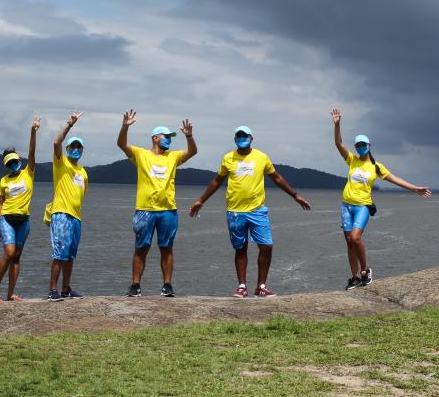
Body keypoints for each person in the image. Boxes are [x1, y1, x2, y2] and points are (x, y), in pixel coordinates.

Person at [189, 126, 311, 298]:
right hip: (235, 211)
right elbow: (217, 181)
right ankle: (242, 286)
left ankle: (261, 286)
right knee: (240, 248)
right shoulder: (228, 158)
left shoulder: (261, 157)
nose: (241, 138)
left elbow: (276, 177)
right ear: (234, 139)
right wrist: (201, 201)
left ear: (251, 138)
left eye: (244, 135)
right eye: (238, 136)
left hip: (257, 210)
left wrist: (295, 195)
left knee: (266, 246)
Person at [331, 110, 432, 290]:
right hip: (346, 206)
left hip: (363, 206)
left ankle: (365, 270)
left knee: (355, 238)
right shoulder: (352, 160)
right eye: (358, 145)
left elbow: (395, 179)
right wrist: (337, 124)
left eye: (363, 144)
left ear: (369, 145)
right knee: (349, 242)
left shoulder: (376, 167)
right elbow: (338, 143)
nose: (360, 147)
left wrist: (415, 188)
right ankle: (355, 277)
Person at [117, 110, 198, 298]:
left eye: (170, 137)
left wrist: (189, 136)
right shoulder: (141, 155)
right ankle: (135, 285)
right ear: (155, 138)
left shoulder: (173, 157)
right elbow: (121, 144)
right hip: (145, 210)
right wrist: (125, 127)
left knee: (167, 248)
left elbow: (193, 152)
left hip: (168, 210)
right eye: (166, 136)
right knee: (141, 248)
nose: (169, 139)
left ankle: (167, 285)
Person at [0, 117, 40, 302]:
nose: (13, 165)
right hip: (7, 219)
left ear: (19, 160)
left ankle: (11, 293)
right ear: (6, 165)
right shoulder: (4, 181)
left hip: (24, 220)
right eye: (9, 163)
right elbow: (1, 203)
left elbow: (32, 152)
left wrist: (33, 132)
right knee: (9, 253)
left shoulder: (28, 173)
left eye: (15, 161)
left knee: (17, 257)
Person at [47, 112, 89, 301]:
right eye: (73, 146)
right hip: (61, 214)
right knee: (60, 253)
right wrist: (69, 125)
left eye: (79, 147)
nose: (76, 149)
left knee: (71, 254)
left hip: (76, 217)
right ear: (67, 149)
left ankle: (66, 288)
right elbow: (56, 143)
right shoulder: (61, 163)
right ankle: (52, 290)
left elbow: (82, 193)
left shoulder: (83, 172)